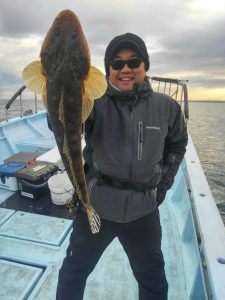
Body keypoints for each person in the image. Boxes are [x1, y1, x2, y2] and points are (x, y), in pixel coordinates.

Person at [56, 32, 188, 300]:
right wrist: (59, 90)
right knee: (73, 272)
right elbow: (64, 123)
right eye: (116, 64)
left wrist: (161, 186)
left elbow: (177, 144)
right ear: (108, 71)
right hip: (97, 207)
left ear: (145, 65)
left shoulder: (167, 107)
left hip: (143, 211)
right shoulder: (93, 103)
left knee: (154, 282)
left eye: (133, 61)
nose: (125, 69)